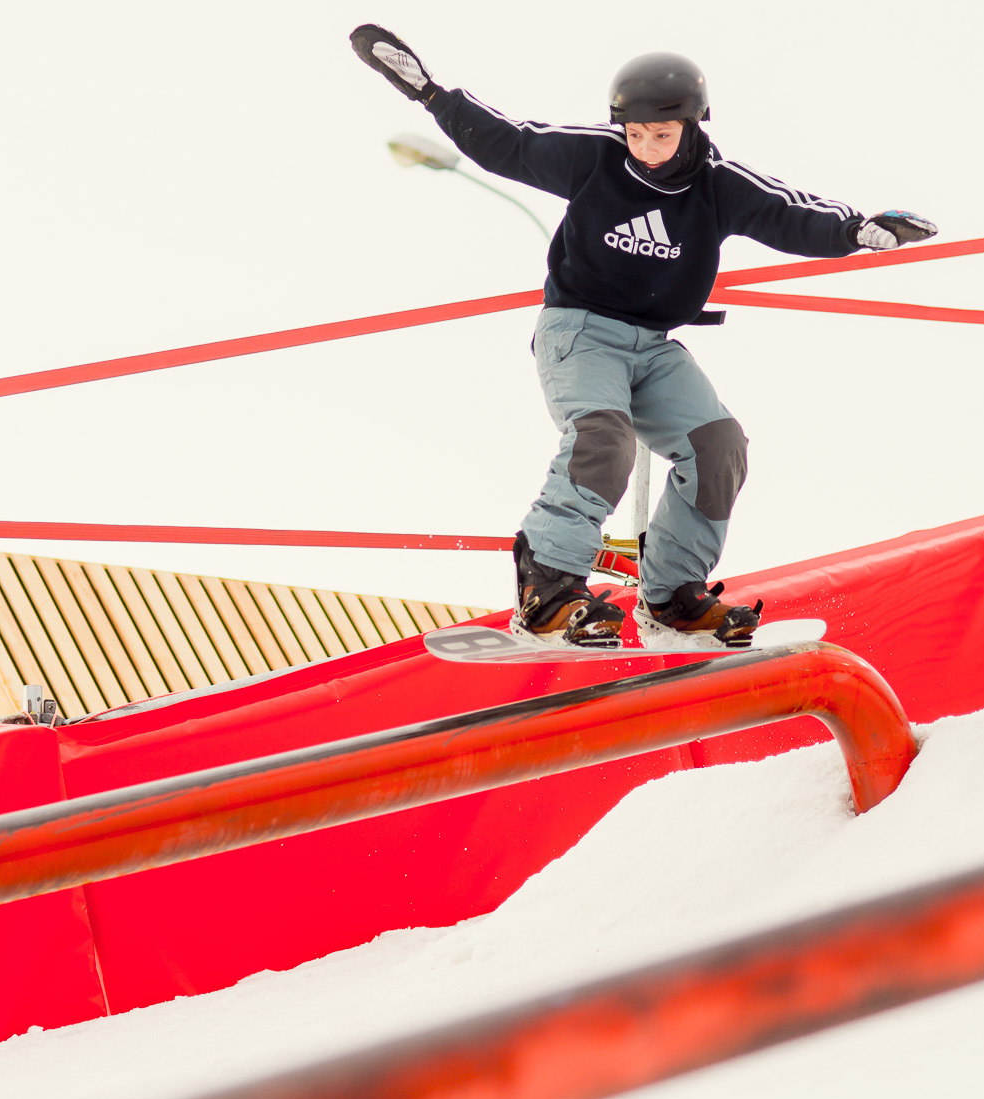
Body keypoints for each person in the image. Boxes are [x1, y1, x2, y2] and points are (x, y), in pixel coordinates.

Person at [350, 24, 938, 649]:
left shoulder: (718, 184)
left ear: (693, 126)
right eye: (635, 134)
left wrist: (856, 232)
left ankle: (672, 596)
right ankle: (547, 587)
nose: (646, 149)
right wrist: (432, 95)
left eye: (661, 135)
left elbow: (787, 213)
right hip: (579, 330)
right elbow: (511, 144)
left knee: (718, 447)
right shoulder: (596, 156)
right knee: (604, 438)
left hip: (654, 346)